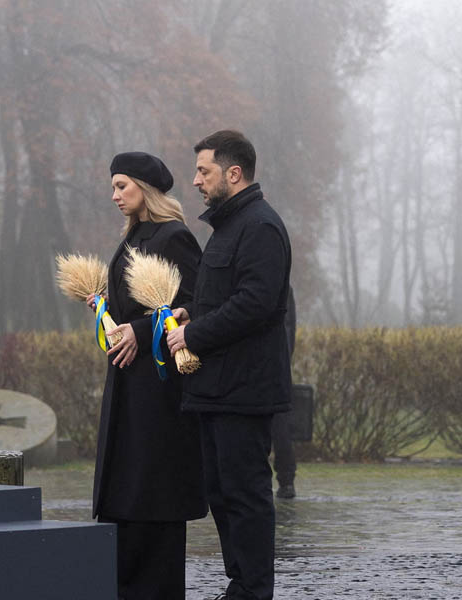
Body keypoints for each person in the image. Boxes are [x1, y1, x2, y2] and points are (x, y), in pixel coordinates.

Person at [167, 130, 292, 600]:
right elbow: (223, 299)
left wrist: (193, 333)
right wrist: (190, 313)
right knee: (221, 495)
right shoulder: (227, 228)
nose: (196, 180)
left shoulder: (260, 226)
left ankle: (254, 590)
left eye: (204, 171)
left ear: (233, 173)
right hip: (216, 388)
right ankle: (239, 584)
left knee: (246, 496)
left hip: (245, 389)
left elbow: (255, 303)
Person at [88, 152, 206, 600]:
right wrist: (105, 312)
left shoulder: (173, 236)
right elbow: (133, 308)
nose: (115, 195)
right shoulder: (134, 235)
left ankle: (151, 587)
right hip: (129, 383)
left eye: (122, 186)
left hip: (157, 391)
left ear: (146, 188)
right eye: (114, 187)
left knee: (151, 490)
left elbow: (194, 301)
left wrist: (138, 329)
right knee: (128, 488)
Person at [272, 287, 297, 499]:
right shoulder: (285, 290)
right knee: (281, 429)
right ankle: (286, 480)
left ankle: (286, 479)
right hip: (278, 369)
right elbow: (290, 331)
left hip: (273, 370)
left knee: (279, 430)